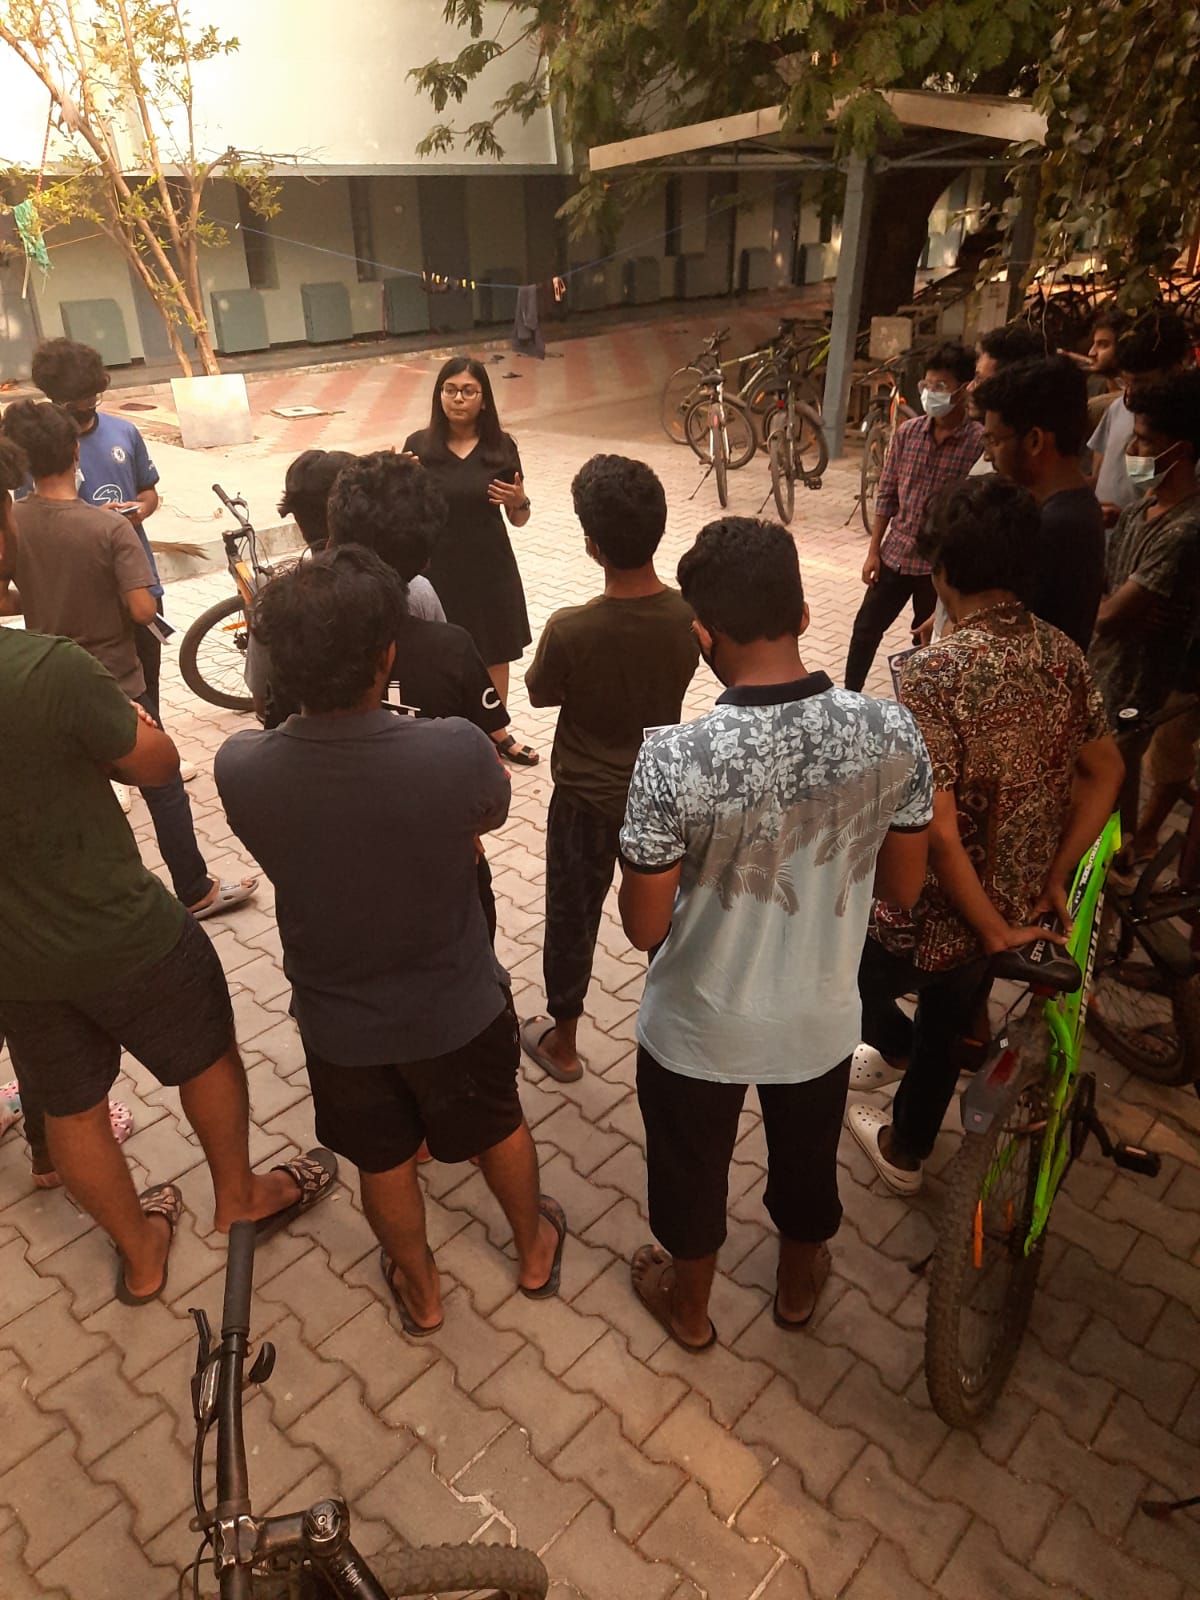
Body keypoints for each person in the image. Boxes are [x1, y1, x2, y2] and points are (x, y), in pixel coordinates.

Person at [0, 435, 335, 1303]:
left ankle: (141, 1252)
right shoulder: (46, 669)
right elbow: (155, 762)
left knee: (69, 1107)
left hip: (16, 961)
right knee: (206, 1052)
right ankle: (238, 1195)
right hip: (117, 928)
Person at [215, 546, 566, 1334]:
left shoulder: (241, 767)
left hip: (341, 1023)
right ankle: (533, 1249)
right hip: (458, 1005)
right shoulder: (454, 749)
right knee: (497, 1125)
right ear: (386, 655)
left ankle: (423, 1290)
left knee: (382, 1160)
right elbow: (490, 812)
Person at [617, 517, 932, 1351]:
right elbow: (904, 889)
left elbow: (644, 926)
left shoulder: (671, 759)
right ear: (802, 612)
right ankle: (796, 1291)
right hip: (819, 1019)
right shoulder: (892, 731)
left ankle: (690, 1312)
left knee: (689, 1170)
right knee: (806, 1160)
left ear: (702, 636)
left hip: (697, 1025)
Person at [849, 476, 1123, 1194]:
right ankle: (907, 1146)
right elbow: (1107, 771)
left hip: (943, 910)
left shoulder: (931, 672)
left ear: (942, 568)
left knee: (854, 977)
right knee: (947, 1018)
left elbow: (939, 833)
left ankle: (892, 1050)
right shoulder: (1064, 652)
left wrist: (993, 931)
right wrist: (1055, 874)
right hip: (1017, 898)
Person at [0, 401, 257, 922]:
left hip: (45, 681)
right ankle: (194, 888)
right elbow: (142, 609)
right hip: (114, 677)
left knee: (80, 789)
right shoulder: (109, 528)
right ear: (75, 453)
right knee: (163, 783)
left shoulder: (15, 521)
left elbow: (5, 599)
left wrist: (46, 595)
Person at [520, 455, 698, 1084]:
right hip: (660, 796)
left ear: (592, 544)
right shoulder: (689, 617)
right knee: (667, 919)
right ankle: (673, 1044)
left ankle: (564, 1045)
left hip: (583, 801)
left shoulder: (571, 628)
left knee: (572, 917)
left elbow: (540, 693)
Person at [402, 357, 537, 765]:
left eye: (468, 391)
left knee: (494, 649)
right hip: (434, 568)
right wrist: (399, 479)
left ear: (484, 399)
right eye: (450, 390)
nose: (458, 398)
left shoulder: (501, 447)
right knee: (437, 649)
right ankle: (445, 732)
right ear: (439, 395)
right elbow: (402, 510)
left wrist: (521, 502)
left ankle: (495, 734)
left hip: (490, 566)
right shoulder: (419, 446)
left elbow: (518, 518)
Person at [30, 338, 171, 718]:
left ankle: (151, 740)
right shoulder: (39, 451)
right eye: (74, 405)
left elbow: (149, 491)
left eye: (92, 400)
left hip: (138, 587)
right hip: (82, 599)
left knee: (147, 688)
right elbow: (35, 519)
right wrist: (95, 521)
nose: (86, 411)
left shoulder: (125, 433)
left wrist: (141, 510)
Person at [1088, 370, 1200, 845]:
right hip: (1106, 675)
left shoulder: (1185, 530)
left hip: (1135, 689)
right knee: (1117, 784)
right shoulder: (1138, 511)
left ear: (1182, 450)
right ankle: (1123, 853)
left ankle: (1111, 864)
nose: (1132, 451)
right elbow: (1110, 596)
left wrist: (1109, 608)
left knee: (1105, 790)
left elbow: (1110, 614)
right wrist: (1112, 605)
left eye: (1145, 441)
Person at [846, 343, 982, 690]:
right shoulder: (908, 433)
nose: (931, 393)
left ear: (963, 389)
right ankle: (849, 695)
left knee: (928, 642)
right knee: (865, 629)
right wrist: (873, 551)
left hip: (939, 566)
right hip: (895, 554)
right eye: (927, 385)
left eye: (941, 386)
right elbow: (887, 493)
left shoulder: (978, 442)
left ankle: (923, 706)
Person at [974, 354, 1105, 650]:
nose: (988, 455)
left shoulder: (1056, 526)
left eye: (994, 441)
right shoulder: (1069, 508)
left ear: (1035, 441)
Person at [1087, 309, 1191, 526]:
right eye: (1127, 382)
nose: (1132, 395)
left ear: (1175, 370)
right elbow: (1102, 477)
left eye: (1142, 383)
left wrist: (1128, 520)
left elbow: (1162, 490)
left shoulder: (1182, 425)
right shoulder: (1117, 409)